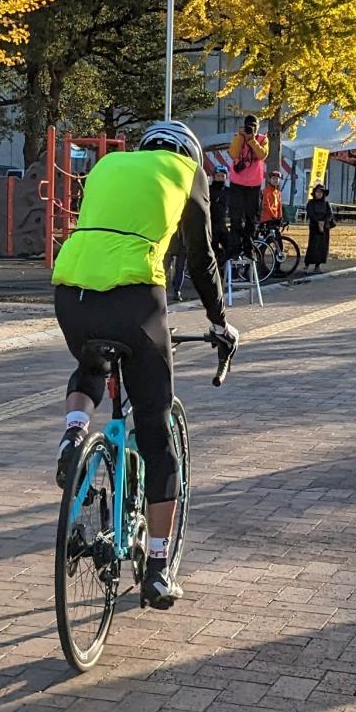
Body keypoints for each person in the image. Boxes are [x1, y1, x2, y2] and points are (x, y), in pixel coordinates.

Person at [51, 120, 236, 610]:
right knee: (155, 433)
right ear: (188, 153)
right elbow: (201, 258)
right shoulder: (187, 172)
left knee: (92, 360)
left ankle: (73, 432)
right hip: (135, 298)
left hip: (71, 290)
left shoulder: (109, 164)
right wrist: (220, 322)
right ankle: (157, 568)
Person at [227, 117, 267, 258]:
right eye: (248, 126)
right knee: (235, 218)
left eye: (254, 127)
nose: (251, 129)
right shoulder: (237, 137)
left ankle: (249, 247)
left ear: (258, 128)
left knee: (252, 219)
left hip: (254, 184)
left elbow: (262, 155)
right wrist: (241, 137)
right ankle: (234, 248)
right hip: (237, 183)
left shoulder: (262, 139)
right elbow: (233, 154)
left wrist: (252, 140)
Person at [304, 183, 334, 274]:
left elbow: (330, 214)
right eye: (317, 192)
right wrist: (318, 222)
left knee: (322, 247)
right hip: (314, 227)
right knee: (313, 246)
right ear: (314, 193)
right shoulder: (311, 203)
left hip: (325, 227)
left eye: (321, 192)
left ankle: (318, 265)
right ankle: (307, 265)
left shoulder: (326, 204)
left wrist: (323, 222)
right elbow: (310, 214)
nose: (319, 194)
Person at [208, 164, 232, 265]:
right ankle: (214, 271)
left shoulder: (228, 191)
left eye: (223, 176)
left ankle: (223, 268)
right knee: (212, 250)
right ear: (214, 176)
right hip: (211, 223)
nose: (220, 178)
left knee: (230, 247)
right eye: (218, 176)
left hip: (222, 225)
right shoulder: (209, 189)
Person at [259, 168, 285, 237]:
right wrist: (274, 217)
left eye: (277, 179)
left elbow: (279, 207)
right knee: (266, 241)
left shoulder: (278, 192)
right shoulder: (265, 191)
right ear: (269, 180)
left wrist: (280, 217)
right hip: (267, 219)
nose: (275, 180)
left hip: (275, 220)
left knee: (278, 240)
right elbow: (266, 206)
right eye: (273, 178)